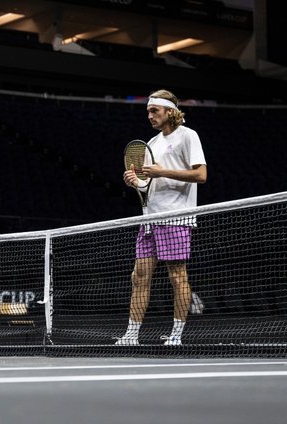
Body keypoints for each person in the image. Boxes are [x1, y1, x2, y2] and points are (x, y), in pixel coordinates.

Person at [116, 89, 207, 347]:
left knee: (177, 276)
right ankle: (131, 335)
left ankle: (176, 334)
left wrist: (161, 171)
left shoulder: (188, 136)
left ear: (169, 111)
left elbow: (201, 175)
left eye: (154, 111)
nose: (149, 116)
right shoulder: (152, 144)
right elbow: (148, 184)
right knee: (139, 276)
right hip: (149, 219)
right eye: (148, 111)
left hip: (176, 217)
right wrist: (137, 182)